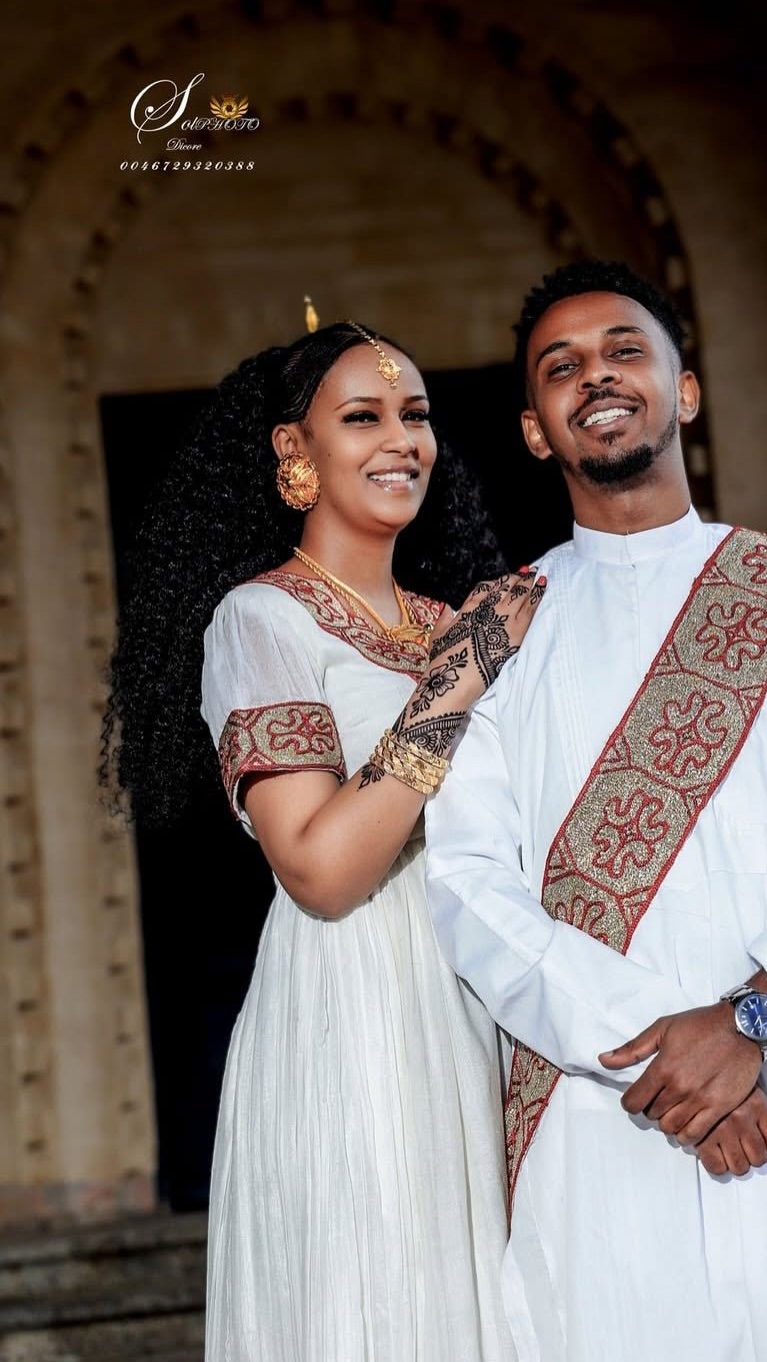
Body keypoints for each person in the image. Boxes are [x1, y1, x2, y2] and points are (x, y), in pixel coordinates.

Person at [423, 260, 767, 1362]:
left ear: (684, 391)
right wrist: (673, 1063)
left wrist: (752, 1020)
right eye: (561, 368)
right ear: (536, 430)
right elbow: (467, 887)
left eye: (625, 351)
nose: (598, 378)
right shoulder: (496, 633)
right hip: (605, 1118)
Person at [102, 305, 544, 1361]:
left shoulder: (459, 619)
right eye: (365, 416)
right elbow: (324, 868)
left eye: (418, 414)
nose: (404, 439)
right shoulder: (263, 622)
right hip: (364, 1005)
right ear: (294, 453)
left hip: (502, 996)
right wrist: (465, 673)